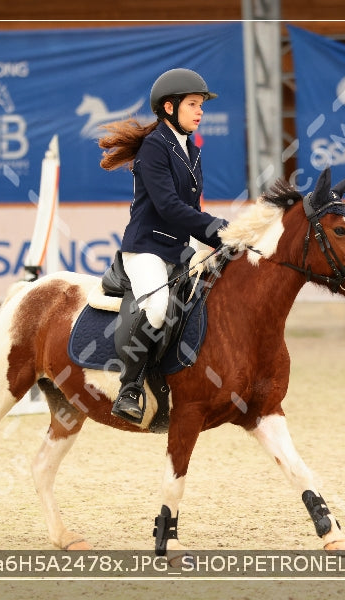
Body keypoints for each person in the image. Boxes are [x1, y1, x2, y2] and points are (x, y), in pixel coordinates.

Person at [98, 68, 228, 424]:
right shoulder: (155, 147)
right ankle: (130, 388)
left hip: (179, 248)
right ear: (169, 107)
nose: (200, 111)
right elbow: (169, 207)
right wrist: (218, 230)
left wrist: (223, 239)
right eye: (193, 104)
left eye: (201, 105)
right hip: (146, 248)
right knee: (157, 308)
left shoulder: (191, 150)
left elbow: (192, 212)